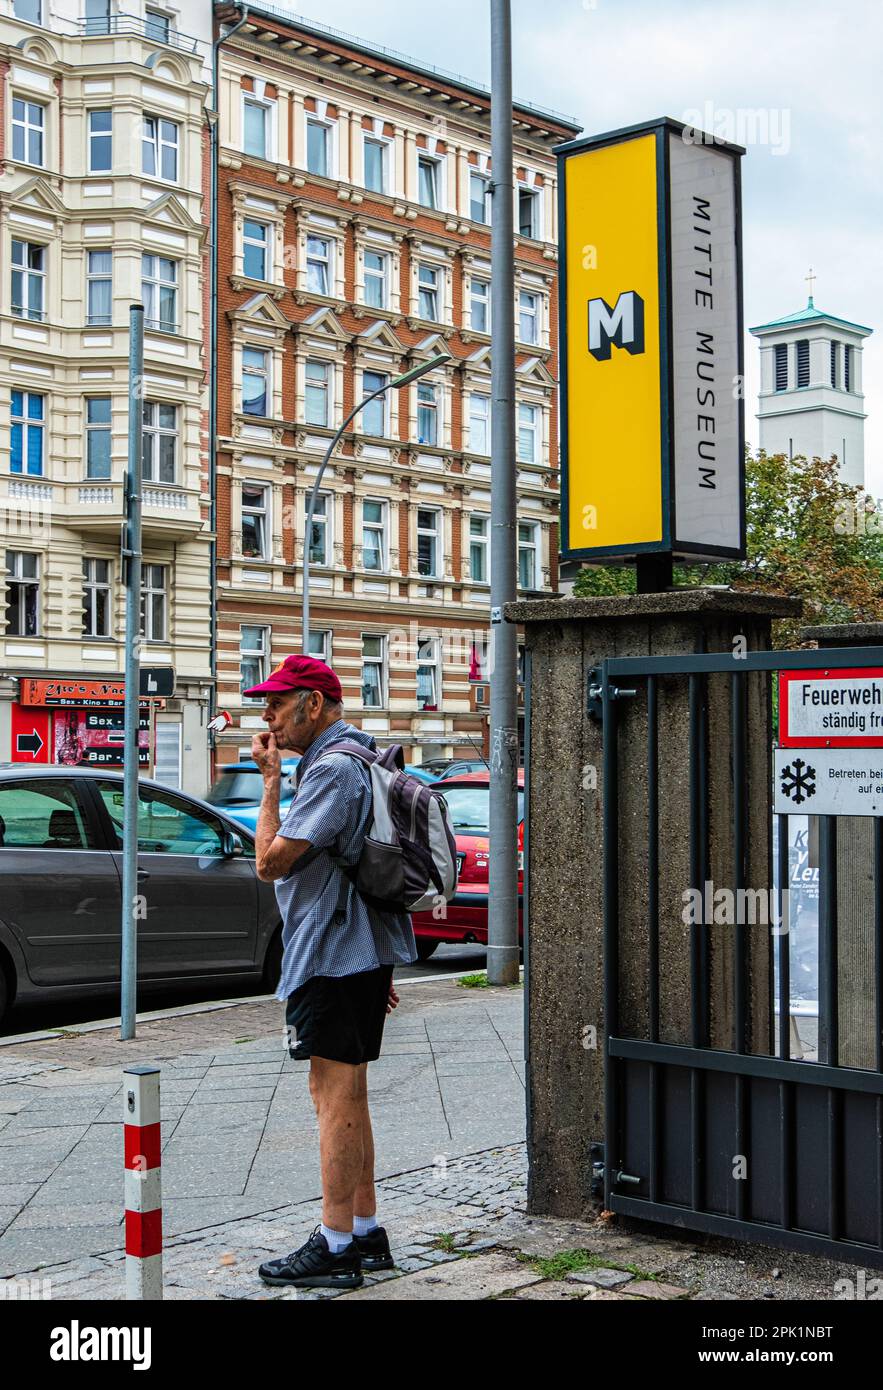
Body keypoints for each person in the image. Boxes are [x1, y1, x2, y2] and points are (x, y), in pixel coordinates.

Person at [245, 654, 417, 1289]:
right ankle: (366, 1232)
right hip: (358, 950)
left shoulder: (334, 769)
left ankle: (335, 1242)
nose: (267, 716)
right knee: (350, 1092)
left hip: (333, 952)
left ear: (312, 704)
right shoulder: (356, 759)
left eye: (276, 704)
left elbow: (271, 863)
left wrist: (269, 783)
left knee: (332, 1094)